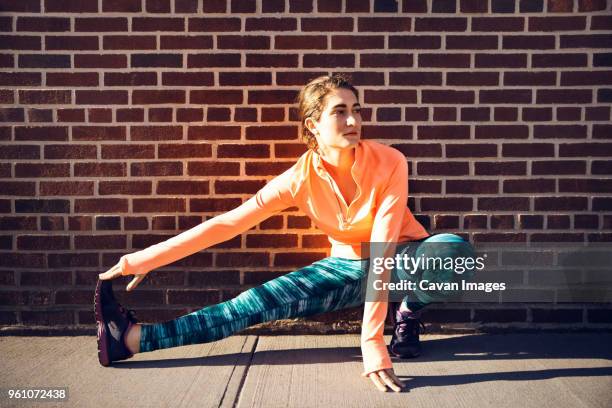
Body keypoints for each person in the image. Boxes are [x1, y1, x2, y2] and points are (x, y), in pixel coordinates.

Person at [95, 74, 475, 392]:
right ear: (313, 124)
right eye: (339, 112)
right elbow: (227, 224)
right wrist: (142, 260)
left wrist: (372, 342)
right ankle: (130, 339)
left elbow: (384, 243)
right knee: (249, 306)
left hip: (401, 259)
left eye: (356, 109)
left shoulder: (390, 161)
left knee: (452, 254)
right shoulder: (297, 179)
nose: (352, 120)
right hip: (342, 269)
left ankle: (408, 310)